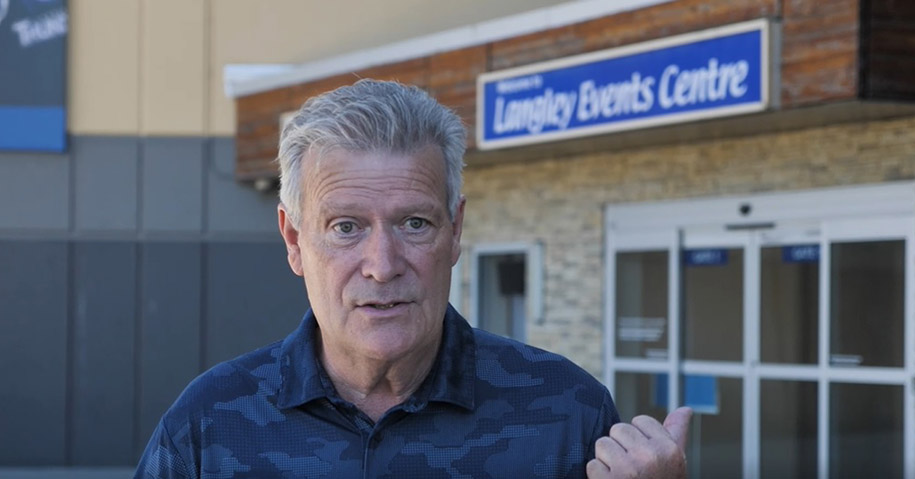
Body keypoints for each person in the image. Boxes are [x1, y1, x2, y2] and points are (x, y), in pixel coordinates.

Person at [136, 79, 690, 478]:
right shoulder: (209, 424)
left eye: (415, 223)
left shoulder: (569, 413)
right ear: (294, 240)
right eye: (346, 227)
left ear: (455, 231)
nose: (382, 264)